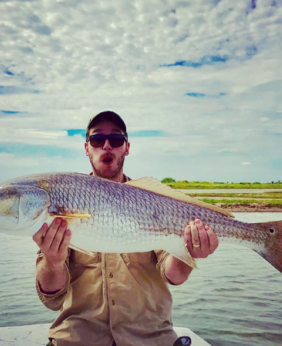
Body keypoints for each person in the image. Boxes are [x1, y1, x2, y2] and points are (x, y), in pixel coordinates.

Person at [32, 111, 219, 346]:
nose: (107, 146)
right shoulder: (66, 198)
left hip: (148, 339)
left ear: (127, 147)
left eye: (116, 140)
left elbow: (175, 276)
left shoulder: (151, 201)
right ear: (86, 148)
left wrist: (190, 251)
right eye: (97, 140)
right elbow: (51, 298)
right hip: (77, 340)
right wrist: (52, 261)